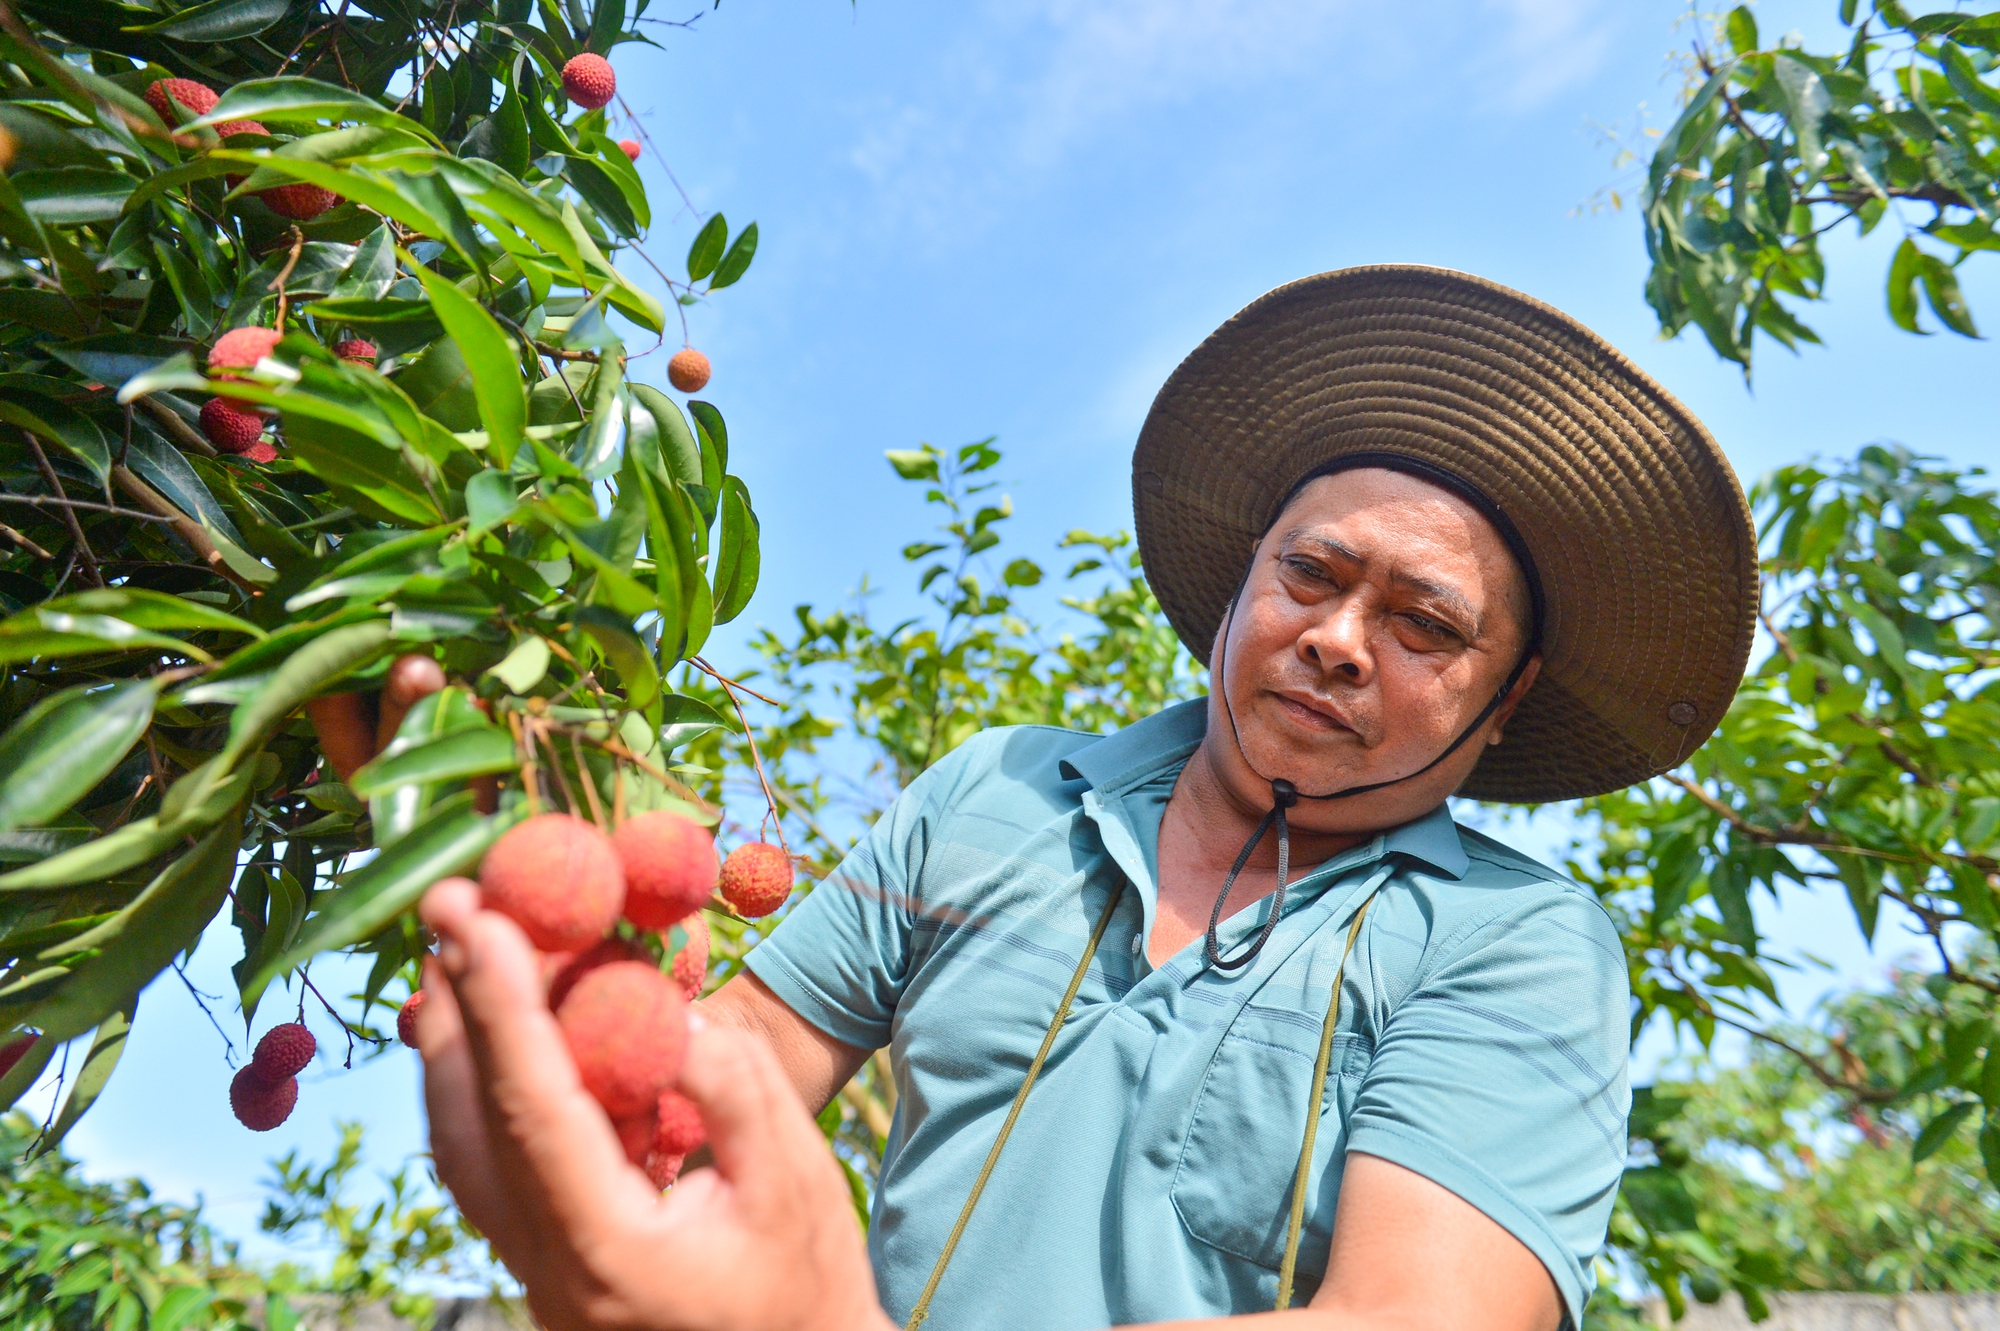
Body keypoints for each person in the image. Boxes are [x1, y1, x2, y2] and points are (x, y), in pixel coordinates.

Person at [415, 266, 1758, 1331]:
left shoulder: (1515, 946)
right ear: (1240, 584)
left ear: (1504, 696)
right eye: (1312, 575)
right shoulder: (994, 791)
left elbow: (1416, 1319)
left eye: (1424, 625)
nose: (1341, 638)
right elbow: (728, 1074)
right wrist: (566, 985)